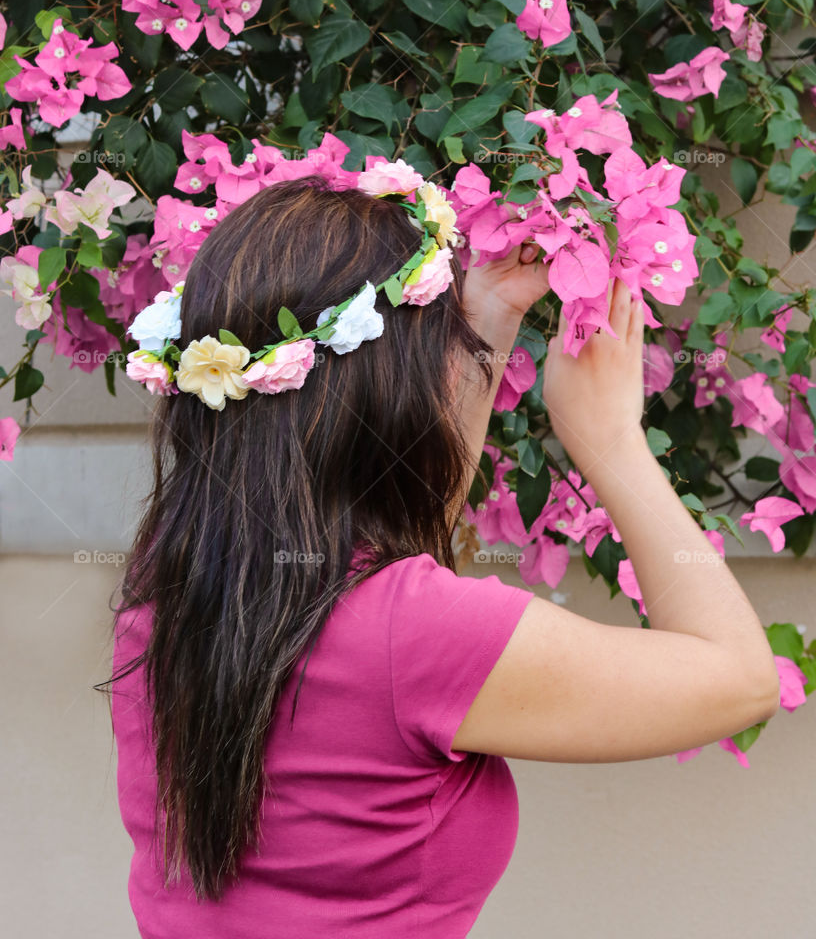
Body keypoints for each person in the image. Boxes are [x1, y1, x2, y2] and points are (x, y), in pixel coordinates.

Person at [103, 172, 780, 938]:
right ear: (387, 388)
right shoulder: (413, 631)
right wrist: (611, 442)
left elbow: (396, 535)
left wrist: (488, 318)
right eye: (439, 352)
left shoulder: (172, 578)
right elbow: (740, 681)